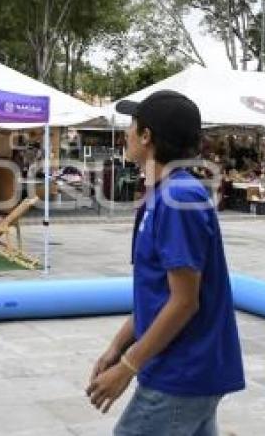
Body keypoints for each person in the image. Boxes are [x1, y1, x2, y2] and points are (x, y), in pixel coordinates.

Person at [86, 90, 245, 435]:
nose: (126, 132)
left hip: (180, 373)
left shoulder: (177, 197)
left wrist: (127, 366)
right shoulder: (165, 193)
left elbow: (185, 302)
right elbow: (157, 293)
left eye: (132, 125)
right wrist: (117, 346)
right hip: (187, 370)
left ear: (147, 136)